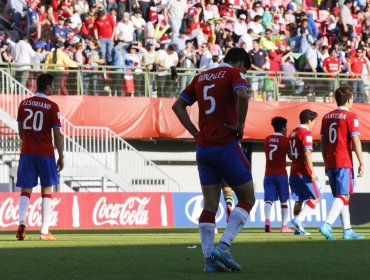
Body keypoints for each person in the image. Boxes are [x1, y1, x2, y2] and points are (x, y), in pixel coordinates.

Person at [172, 48, 254, 273]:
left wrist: (194, 132)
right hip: (225, 144)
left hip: (203, 148)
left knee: (209, 204)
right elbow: (243, 95)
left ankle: (209, 260)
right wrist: (240, 125)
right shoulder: (233, 75)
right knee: (247, 198)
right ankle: (224, 246)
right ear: (239, 64)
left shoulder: (201, 77)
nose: (243, 73)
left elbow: (177, 105)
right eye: (244, 69)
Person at [16, 73, 64, 241]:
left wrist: (29, 141)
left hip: (27, 152)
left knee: (26, 189)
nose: (54, 87)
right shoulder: (52, 106)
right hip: (45, 153)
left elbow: (21, 131)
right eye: (53, 85)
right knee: (47, 189)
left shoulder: (23, 104)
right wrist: (62, 155)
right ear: (48, 86)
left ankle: (22, 223)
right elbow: (57, 134)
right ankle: (44, 232)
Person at [319, 86, 365, 240]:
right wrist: (361, 162)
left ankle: (347, 230)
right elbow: (356, 140)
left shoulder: (326, 117)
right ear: (349, 99)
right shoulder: (351, 116)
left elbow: (323, 143)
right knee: (343, 194)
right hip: (344, 160)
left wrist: (326, 162)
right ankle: (327, 225)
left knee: (342, 196)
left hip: (331, 160)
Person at [289, 109, 321, 236]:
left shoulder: (292, 133)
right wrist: (312, 172)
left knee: (299, 200)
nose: (314, 124)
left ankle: (298, 230)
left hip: (293, 171)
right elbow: (307, 152)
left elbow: (290, 155)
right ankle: (298, 220)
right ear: (308, 121)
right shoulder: (306, 132)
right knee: (317, 197)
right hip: (304, 171)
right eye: (314, 122)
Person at [263, 117, 292, 233]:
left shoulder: (267, 139)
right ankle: (284, 226)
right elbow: (290, 156)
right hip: (281, 174)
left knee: (268, 200)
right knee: (284, 200)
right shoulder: (285, 140)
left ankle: (267, 221)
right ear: (283, 128)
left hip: (268, 173)